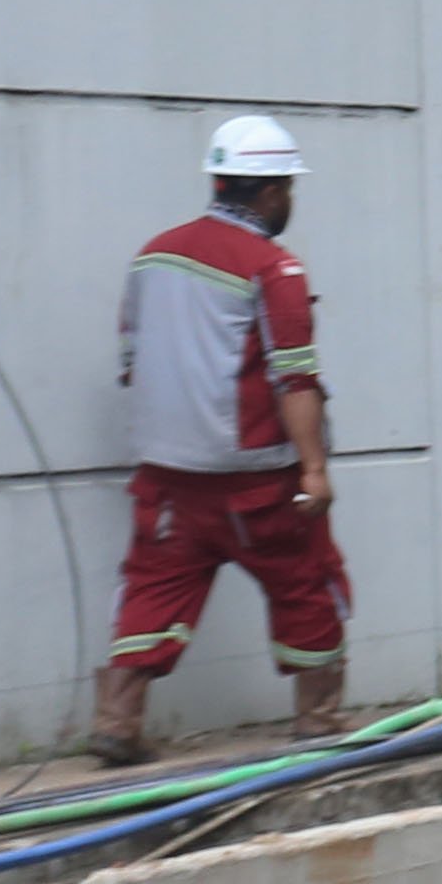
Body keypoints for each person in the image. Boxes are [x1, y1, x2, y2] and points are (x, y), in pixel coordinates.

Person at [93, 116, 347, 768]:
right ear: (269, 193)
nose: (289, 199)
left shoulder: (152, 256)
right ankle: (319, 720)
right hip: (257, 480)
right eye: (287, 187)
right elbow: (294, 377)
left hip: (167, 477)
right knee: (306, 583)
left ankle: (117, 721)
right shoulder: (276, 268)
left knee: (152, 587)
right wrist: (314, 469)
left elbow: (131, 360)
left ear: (218, 179)